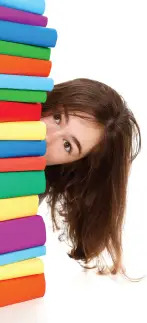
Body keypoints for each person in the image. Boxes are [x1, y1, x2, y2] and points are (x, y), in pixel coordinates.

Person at [39, 78, 144, 282]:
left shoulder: (30, 187)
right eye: (57, 117)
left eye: (68, 145)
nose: (47, 136)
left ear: (73, 164)